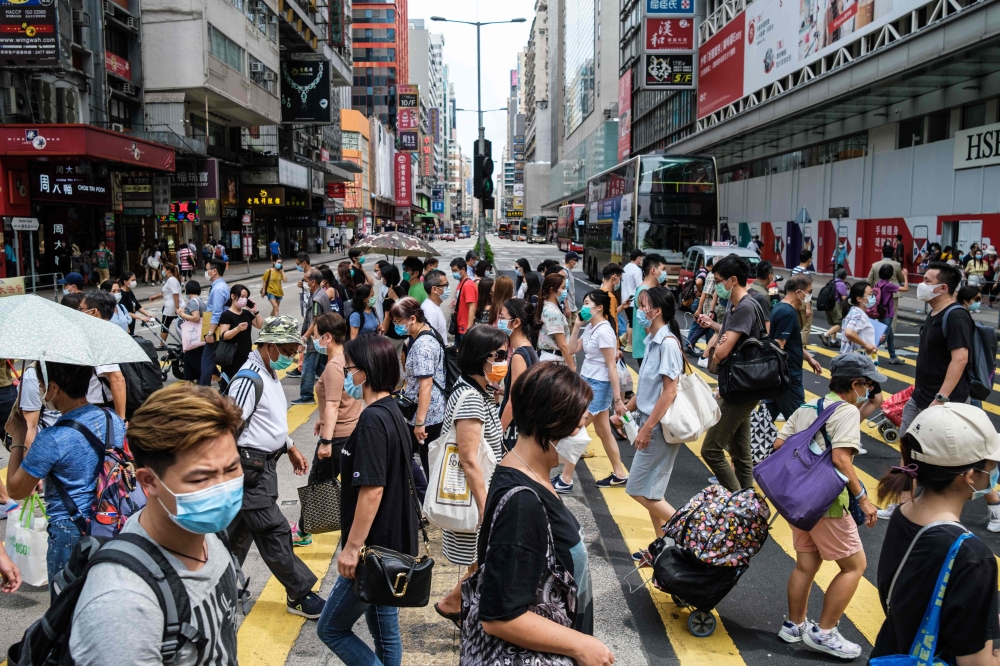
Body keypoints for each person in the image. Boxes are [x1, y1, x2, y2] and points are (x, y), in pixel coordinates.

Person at [67, 383, 244, 666]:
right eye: (201, 479)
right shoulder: (122, 606)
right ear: (149, 481)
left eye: (232, 469)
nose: (224, 489)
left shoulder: (205, 532)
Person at [472, 362, 613, 665]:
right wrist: (582, 645)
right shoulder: (523, 503)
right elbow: (499, 616)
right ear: (551, 425)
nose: (583, 434)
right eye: (577, 426)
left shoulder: (525, 470)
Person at [317, 336, 418, 666]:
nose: (346, 373)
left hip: (372, 550)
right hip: (390, 546)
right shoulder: (392, 412)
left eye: (350, 367)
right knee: (385, 635)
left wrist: (352, 548)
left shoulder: (374, 419)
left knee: (331, 629)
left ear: (366, 371)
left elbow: (372, 490)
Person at [871, 403, 1000, 663]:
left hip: (893, 650)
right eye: (993, 462)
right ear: (971, 475)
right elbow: (977, 662)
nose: (996, 469)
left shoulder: (903, 514)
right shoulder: (972, 556)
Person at [774, 353, 881, 659]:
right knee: (855, 565)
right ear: (855, 383)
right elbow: (841, 459)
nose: (870, 392)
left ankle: (794, 626)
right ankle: (825, 632)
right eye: (869, 386)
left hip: (798, 500)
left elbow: (780, 446)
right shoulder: (846, 411)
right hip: (828, 502)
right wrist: (863, 498)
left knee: (806, 565)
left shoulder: (808, 406)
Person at [225, 315, 324, 618]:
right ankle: (300, 593)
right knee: (274, 530)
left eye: (295, 350)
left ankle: (219, 588)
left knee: (235, 536)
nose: (293, 356)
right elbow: (226, 428)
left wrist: (290, 446)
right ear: (268, 345)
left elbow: (270, 421)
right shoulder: (248, 379)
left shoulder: (268, 373)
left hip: (263, 466)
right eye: (289, 350)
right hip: (248, 471)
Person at [4, 361, 127, 599]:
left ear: (53, 388)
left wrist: (18, 437)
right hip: (112, 521)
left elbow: (16, 490)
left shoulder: (53, 438)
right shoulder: (111, 419)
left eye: (41, 385)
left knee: (65, 614)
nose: (40, 391)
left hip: (71, 531)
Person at [881, 263, 977, 520]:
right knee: (907, 450)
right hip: (921, 398)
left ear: (942, 287)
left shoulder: (956, 316)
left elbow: (960, 359)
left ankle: (995, 504)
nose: (920, 284)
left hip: (946, 402)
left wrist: (940, 399)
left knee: (961, 458)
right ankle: (903, 506)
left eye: (926, 279)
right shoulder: (935, 312)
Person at [431, 325, 509, 624]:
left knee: (484, 559)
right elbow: (468, 460)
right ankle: (456, 605)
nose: (504, 361)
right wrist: (486, 506)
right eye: (499, 355)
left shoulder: (477, 391)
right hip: (476, 498)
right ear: (481, 358)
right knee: (485, 559)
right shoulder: (471, 398)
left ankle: (457, 605)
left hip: (481, 495)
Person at [612, 285, 684, 547]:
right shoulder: (653, 341)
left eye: (644, 306)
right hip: (647, 421)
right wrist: (626, 411)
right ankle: (664, 549)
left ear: (657, 311)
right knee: (654, 492)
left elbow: (669, 392)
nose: (639, 311)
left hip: (657, 428)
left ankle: (687, 531)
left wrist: (646, 428)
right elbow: (648, 391)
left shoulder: (667, 344)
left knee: (637, 489)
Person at [697, 254, 766, 491]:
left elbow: (721, 353)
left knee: (711, 449)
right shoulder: (737, 307)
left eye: (718, 281)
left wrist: (721, 344)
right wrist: (720, 332)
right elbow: (727, 339)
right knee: (740, 453)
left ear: (733, 280)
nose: (716, 286)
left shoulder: (744, 307)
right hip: (740, 385)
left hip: (741, 388)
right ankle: (749, 506)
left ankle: (738, 500)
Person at [292, 313, 361, 547]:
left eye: (316, 335)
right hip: (351, 431)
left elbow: (333, 404)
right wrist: (322, 419)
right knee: (347, 486)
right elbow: (344, 398)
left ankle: (303, 532)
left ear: (328, 337)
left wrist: (326, 442)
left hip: (338, 437)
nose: (314, 340)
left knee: (318, 484)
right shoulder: (349, 358)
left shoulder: (333, 366)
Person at [554, 290, 629, 492]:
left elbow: (611, 366)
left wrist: (617, 399)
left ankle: (566, 478)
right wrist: (577, 325)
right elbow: (570, 350)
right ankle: (620, 473)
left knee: (577, 429)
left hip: (599, 384)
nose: (584, 307)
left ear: (599, 307)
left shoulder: (605, 331)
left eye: (587, 303)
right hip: (587, 381)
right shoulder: (591, 328)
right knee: (604, 431)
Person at [392, 297, 447, 490]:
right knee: (425, 457)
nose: (397, 326)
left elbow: (426, 385)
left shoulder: (422, 345)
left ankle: (424, 497)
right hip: (432, 410)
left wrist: (420, 422)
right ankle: (427, 497)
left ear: (412, 318)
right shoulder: (428, 333)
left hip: (424, 414)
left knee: (405, 454)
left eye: (398, 322)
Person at [768, 275, 825, 421]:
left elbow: (792, 342)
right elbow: (778, 346)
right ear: (799, 292)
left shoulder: (780, 307)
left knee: (766, 420)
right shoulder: (788, 313)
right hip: (788, 376)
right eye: (809, 291)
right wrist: (782, 376)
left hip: (780, 376)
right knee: (800, 421)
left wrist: (809, 358)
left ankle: (752, 443)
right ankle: (801, 444)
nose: (810, 295)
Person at [839, 281, 885, 426]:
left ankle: (847, 432)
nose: (873, 297)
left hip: (859, 363)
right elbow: (849, 332)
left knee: (871, 399)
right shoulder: (858, 314)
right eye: (870, 294)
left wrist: (874, 339)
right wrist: (866, 344)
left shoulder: (855, 312)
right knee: (859, 401)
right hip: (860, 365)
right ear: (859, 299)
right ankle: (846, 433)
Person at [78, 290, 127, 419]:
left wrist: (120, 419)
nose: (78, 312)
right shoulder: (111, 331)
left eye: (81, 309)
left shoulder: (100, 338)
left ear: (93, 311)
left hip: (101, 408)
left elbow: (117, 378)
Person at [497, 299, 537, 443]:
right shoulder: (529, 349)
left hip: (514, 428)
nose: (499, 321)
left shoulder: (519, 355)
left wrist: (497, 434)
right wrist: (503, 390)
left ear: (516, 323)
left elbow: (514, 401)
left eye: (502, 317)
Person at [293, 269, 332, 405]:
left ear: (313, 282)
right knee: (318, 367)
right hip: (322, 339)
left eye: (305, 280)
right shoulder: (320, 294)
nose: (303, 282)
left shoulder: (316, 299)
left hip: (316, 340)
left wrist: (305, 337)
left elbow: (316, 320)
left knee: (308, 367)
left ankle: (306, 395)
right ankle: (336, 386)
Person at [216, 283, 263, 385]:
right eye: (242, 296)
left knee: (245, 383)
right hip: (232, 357)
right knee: (232, 385)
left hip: (246, 354)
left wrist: (256, 311)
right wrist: (237, 329)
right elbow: (223, 335)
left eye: (246, 297)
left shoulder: (246, 313)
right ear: (233, 296)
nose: (244, 299)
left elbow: (259, 325)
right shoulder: (226, 315)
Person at [632, 253, 669, 368]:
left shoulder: (644, 289)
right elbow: (647, 323)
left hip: (645, 346)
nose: (664, 273)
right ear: (653, 270)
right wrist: (656, 345)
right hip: (647, 347)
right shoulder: (645, 292)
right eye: (663, 269)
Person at [535, 272, 574, 369]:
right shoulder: (553, 312)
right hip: (555, 361)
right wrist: (572, 367)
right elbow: (562, 345)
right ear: (552, 290)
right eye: (563, 288)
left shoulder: (546, 306)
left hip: (548, 359)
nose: (565, 291)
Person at [200, 258, 230, 387]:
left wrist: (210, 333)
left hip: (216, 329)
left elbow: (217, 312)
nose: (206, 272)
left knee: (206, 362)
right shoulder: (221, 286)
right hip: (218, 327)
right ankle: (223, 384)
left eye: (207, 270)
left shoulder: (218, 289)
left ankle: (203, 391)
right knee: (211, 361)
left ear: (214, 271)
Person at [685, 256, 718, 356]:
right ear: (712, 266)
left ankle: (698, 346)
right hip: (704, 304)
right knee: (701, 325)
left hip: (703, 304)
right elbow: (701, 285)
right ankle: (690, 345)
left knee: (705, 326)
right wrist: (699, 291)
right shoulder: (708, 274)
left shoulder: (703, 271)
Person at [873, 264, 904, 364]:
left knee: (890, 336)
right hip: (887, 314)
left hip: (881, 312)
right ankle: (865, 352)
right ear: (891, 275)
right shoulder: (888, 285)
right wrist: (906, 276)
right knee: (882, 338)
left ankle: (893, 356)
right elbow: (905, 288)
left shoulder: (878, 284)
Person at [177, 280, 207, 383]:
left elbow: (196, 318)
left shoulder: (192, 302)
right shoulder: (200, 301)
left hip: (193, 341)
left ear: (187, 290)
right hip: (199, 340)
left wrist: (182, 314)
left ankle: (221, 382)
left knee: (195, 367)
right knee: (189, 369)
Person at [148, 263, 183, 347]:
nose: (162, 271)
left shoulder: (171, 280)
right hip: (173, 306)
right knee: (181, 324)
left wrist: (177, 308)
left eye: (163, 269)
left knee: (164, 326)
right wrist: (156, 296)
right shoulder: (172, 279)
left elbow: (175, 294)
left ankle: (162, 344)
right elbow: (167, 292)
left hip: (171, 308)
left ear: (168, 270)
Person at [376, 265, 407, 355]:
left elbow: (387, 318)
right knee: (397, 360)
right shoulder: (401, 289)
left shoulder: (389, 296)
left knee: (387, 362)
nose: (382, 279)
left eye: (383, 277)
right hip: (402, 334)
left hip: (391, 335)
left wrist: (382, 334)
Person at [620, 249, 645, 352]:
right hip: (633, 299)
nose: (641, 260)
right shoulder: (636, 270)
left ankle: (624, 338)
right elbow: (640, 286)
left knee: (631, 321)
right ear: (638, 258)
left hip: (625, 298)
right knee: (633, 323)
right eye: (641, 258)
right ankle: (629, 344)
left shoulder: (626, 267)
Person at [451, 257, 478, 347]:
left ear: (463, 269)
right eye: (452, 271)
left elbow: (472, 307)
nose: (453, 273)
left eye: (455, 270)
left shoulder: (468, 285)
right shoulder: (461, 283)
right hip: (459, 327)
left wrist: (469, 328)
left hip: (465, 329)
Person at [820, 269, 849, 348]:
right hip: (836, 305)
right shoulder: (841, 284)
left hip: (828, 304)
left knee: (834, 323)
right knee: (840, 323)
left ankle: (833, 341)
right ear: (845, 276)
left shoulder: (832, 282)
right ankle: (825, 334)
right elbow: (843, 297)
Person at [420, 269, 449, 342]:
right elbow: (429, 340)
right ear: (435, 289)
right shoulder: (430, 311)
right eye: (446, 285)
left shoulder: (435, 306)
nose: (448, 288)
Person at [562, 251, 580, 327]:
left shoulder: (568, 271)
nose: (576, 263)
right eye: (576, 261)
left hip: (572, 306)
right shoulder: (564, 272)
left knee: (574, 328)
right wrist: (567, 307)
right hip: (568, 306)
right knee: (569, 332)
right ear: (571, 261)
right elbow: (564, 290)